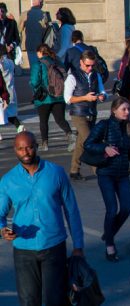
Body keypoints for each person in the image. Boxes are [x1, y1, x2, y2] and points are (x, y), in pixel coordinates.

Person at [0, 131, 84, 306]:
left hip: (53, 246)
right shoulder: (8, 181)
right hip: (23, 250)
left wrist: (78, 246)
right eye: (21, 149)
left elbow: (72, 210)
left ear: (36, 147)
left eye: (29, 147)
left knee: (55, 300)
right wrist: (3, 230)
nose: (26, 152)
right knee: (29, 301)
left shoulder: (56, 173)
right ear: (15, 150)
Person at [84, 96, 130, 262]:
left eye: (128, 109)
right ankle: (109, 245)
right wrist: (105, 147)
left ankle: (108, 233)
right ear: (114, 110)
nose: (127, 112)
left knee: (126, 208)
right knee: (111, 209)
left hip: (123, 174)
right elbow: (87, 144)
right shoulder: (104, 125)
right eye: (123, 109)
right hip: (106, 173)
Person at [64, 49, 106, 181]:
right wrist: (85, 98)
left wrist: (102, 96)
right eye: (87, 65)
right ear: (81, 62)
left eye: (92, 65)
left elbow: (103, 91)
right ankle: (98, 170)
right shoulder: (72, 77)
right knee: (91, 140)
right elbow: (68, 98)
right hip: (78, 113)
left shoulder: (96, 75)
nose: (90, 68)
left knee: (81, 143)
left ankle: (74, 170)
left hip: (92, 112)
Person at [30, 44, 74, 151]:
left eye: (37, 53)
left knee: (43, 121)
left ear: (40, 52)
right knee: (60, 119)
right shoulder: (58, 62)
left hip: (44, 97)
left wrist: (33, 86)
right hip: (59, 96)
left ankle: (45, 144)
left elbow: (35, 82)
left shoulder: (38, 64)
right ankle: (71, 136)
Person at [0, 47, 24, 134]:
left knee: (2, 112)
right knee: (10, 113)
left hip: (3, 91)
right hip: (11, 90)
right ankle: (19, 127)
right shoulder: (10, 62)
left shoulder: (2, 64)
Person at [20, 0, 46, 66]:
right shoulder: (44, 14)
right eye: (42, 3)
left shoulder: (24, 14)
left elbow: (19, 30)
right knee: (42, 67)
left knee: (33, 67)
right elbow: (46, 30)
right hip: (41, 45)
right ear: (40, 3)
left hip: (29, 44)